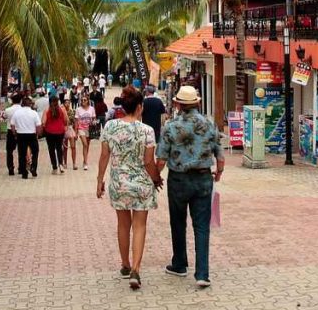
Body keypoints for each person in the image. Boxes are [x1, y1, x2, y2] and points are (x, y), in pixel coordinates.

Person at [97, 86, 164, 290]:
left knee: (123, 225)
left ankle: (125, 264)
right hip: (142, 185)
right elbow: (148, 161)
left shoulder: (110, 127)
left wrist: (99, 180)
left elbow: (104, 156)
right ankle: (136, 268)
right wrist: (156, 178)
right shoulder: (147, 131)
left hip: (119, 183)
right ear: (139, 107)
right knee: (140, 226)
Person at [156, 85, 224, 288]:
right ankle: (202, 273)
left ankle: (179, 264)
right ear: (197, 102)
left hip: (178, 180)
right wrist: (218, 173)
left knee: (178, 222)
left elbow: (161, 158)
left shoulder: (170, 126)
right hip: (203, 179)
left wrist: (155, 177)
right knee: (202, 226)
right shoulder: (210, 124)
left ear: (178, 104)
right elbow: (220, 156)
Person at [11, 96, 42, 179]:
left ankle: (24, 172)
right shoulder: (34, 113)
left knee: (22, 154)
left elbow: (12, 125)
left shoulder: (17, 113)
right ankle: (33, 167)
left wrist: (15, 134)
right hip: (32, 135)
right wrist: (38, 134)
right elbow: (38, 126)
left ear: (22, 104)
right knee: (35, 152)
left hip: (21, 135)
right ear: (30, 104)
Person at [42, 95, 68, 174]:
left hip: (49, 132)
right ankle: (60, 164)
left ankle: (54, 167)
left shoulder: (46, 110)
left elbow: (43, 122)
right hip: (60, 132)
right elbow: (66, 120)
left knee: (51, 150)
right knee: (59, 148)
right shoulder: (62, 109)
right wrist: (63, 126)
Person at [2, 93, 22, 176]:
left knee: (9, 151)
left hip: (10, 131)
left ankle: (10, 168)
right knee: (21, 150)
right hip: (21, 131)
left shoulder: (8, 110)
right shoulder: (22, 109)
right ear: (20, 101)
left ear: (12, 101)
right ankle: (21, 168)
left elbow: (3, 117)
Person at [75, 95, 96, 170]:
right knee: (85, 144)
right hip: (81, 128)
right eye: (82, 100)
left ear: (88, 101)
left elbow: (94, 118)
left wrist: (94, 122)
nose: (83, 101)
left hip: (89, 129)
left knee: (87, 146)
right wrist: (76, 132)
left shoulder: (92, 109)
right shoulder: (78, 109)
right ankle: (86, 163)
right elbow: (76, 121)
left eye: (85, 100)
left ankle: (84, 161)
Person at [62, 97, 78, 171]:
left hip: (71, 129)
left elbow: (75, 122)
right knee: (64, 148)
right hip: (64, 129)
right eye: (66, 103)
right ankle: (64, 163)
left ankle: (74, 163)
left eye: (68, 103)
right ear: (63, 104)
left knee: (73, 147)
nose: (67, 104)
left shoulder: (72, 111)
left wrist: (76, 132)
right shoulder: (61, 112)